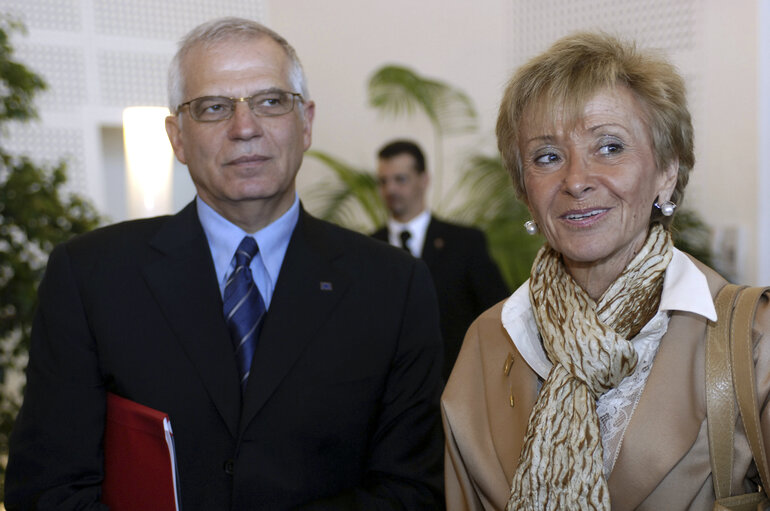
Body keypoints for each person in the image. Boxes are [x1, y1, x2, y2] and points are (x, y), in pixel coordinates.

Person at [5, 17, 445, 510]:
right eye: (213, 108)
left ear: (306, 123)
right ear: (177, 138)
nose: (245, 128)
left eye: (270, 101)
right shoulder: (89, 278)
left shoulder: (393, 286)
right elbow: (46, 490)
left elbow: (412, 492)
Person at [441, 32, 770, 511]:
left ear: (666, 173)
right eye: (547, 157)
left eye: (610, 147)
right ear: (524, 188)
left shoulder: (752, 339)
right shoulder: (488, 340)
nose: (575, 180)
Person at [372, 140, 509, 382]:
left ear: (424, 179)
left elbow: (497, 313)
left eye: (400, 179)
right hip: (388, 393)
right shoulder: (368, 249)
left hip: (455, 386)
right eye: (384, 181)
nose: (390, 189)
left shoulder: (465, 244)